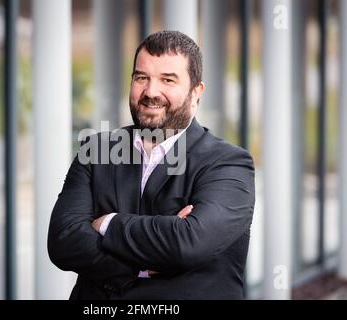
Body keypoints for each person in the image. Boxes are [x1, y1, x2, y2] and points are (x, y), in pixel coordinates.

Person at [47, 30, 255, 300]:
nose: (150, 92)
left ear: (196, 91)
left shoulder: (228, 164)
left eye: (167, 80)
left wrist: (109, 223)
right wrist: (149, 263)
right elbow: (63, 241)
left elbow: (188, 242)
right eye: (141, 77)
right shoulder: (97, 151)